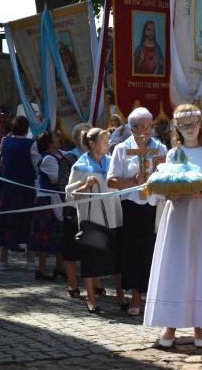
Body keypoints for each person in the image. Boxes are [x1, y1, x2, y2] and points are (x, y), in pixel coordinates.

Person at [144, 104, 202, 348]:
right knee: (176, 267)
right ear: (177, 129)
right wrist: (171, 192)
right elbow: (166, 188)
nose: (190, 129)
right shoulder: (173, 155)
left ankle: (199, 328)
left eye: (194, 124)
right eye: (184, 126)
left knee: (199, 267)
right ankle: (170, 328)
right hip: (178, 218)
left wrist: (188, 190)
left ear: (201, 126)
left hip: (200, 218)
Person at [108, 107, 167, 316]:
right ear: (131, 128)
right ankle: (135, 296)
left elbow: (167, 175)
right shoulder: (122, 149)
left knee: (154, 250)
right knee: (134, 252)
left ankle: (155, 295)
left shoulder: (161, 148)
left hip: (154, 206)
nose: (145, 131)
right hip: (132, 207)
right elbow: (111, 180)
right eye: (141, 127)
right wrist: (133, 181)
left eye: (148, 126)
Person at [66, 128, 126, 313]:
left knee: (117, 261)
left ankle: (121, 295)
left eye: (108, 140)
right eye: (104, 141)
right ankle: (91, 298)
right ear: (92, 144)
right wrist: (85, 186)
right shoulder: (80, 166)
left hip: (114, 219)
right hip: (93, 222)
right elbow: (69, 196)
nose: (108, 144)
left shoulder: (112, 162)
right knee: (91, 262)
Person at [0, 116, 36, 270]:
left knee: (7, 220)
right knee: (28, 220)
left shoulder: (5, 141)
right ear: (26, 128)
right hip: (26, 188)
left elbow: (2, 161)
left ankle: (2, 260)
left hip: (8, 188)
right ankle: (30, 262)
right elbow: (36, 166)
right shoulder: (31, 144)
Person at [58, 123, 92, 298]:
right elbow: (63, 184)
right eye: (85, 136)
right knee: (71, 248)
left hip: (93, 208)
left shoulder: (99, 156)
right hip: (73, 208)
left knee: (94, 245)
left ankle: (96, 284)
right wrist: (84, 185)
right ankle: (72, 284)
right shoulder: (70, 157)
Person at [28, 131, 65, 281]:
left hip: (57, 198)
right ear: (49, 143)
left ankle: (59, 267)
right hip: (48, 200)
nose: (59, 138)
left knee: (61, 234)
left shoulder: (59, 155)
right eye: (56, 137)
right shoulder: (48, 159)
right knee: (45, 235)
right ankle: (41, 269)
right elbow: (56, 180)